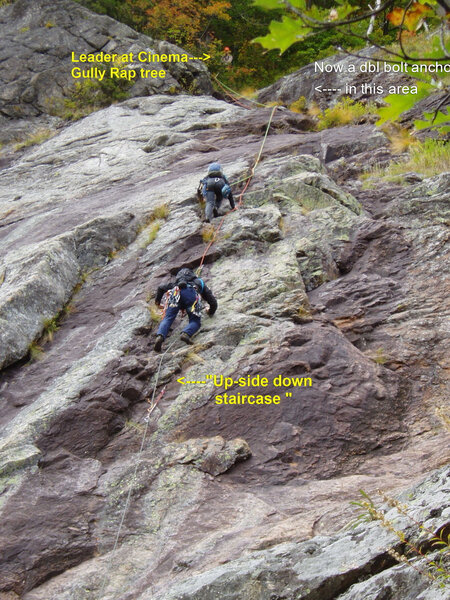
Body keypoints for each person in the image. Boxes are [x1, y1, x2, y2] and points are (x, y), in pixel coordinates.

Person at [154, 268, 217, 352]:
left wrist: (157, 303)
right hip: (190, 295)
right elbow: (213, 301)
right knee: (195, 321)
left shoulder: (175, 284)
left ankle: (160, 336)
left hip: (176, 293)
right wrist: (210, 311)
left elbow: (161, 287)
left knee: (167, 318)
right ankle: (186, 334)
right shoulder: (199, 282)